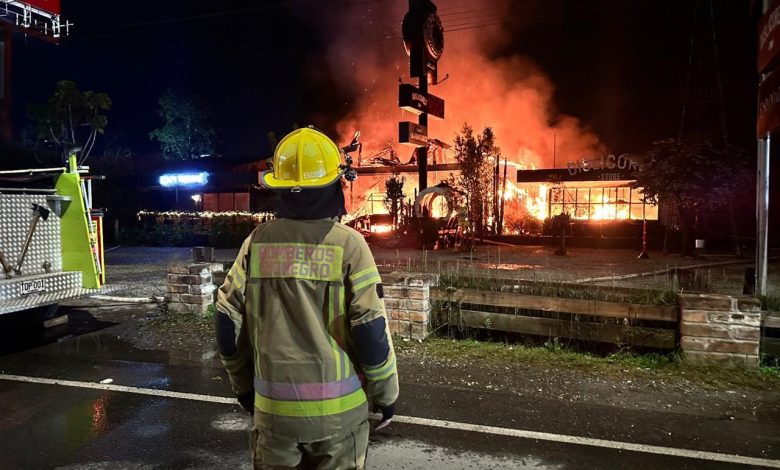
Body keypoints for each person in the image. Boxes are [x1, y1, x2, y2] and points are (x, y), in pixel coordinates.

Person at [215, 126, 398, 469]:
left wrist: (243, 387)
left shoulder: (257, 242)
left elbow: (227, 320)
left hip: (273, 417)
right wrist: (386, 395)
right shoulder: (348, 244)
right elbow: (370, 329)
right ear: (334, 185)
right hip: (338, 421)